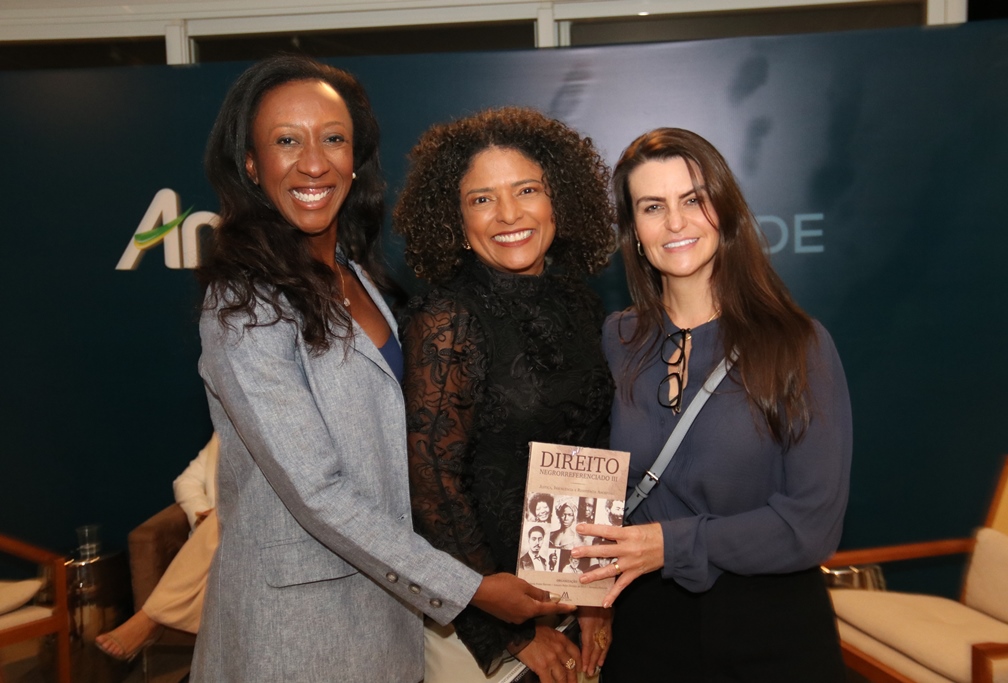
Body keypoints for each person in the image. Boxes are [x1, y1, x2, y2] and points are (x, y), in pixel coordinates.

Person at [193, 56, 570, 683]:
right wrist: (473, 588)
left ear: (355, 157)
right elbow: (316, 491)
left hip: (389, 619)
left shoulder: (355, 273)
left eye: (332, 139)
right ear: (251, 164)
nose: (314, 163)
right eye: (286, 141)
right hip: (295, 638)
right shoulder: (244, 303)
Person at [572, 128, 853, 682]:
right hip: (646, 626)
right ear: (634, 231)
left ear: (724, 209)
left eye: (693, 199)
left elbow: (813, 525)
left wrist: (669, 543)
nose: (676, 223)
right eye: (653, 207)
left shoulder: (797, 344)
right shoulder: (616, 339)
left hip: (771, 628)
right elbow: (591, 475)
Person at [394, 106, 617, 683]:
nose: (509, 214)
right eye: (481, 198)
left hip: (567, 604)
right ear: (456, 220)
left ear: (558, 200)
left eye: (527, 190)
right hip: (480, 624)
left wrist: (591, 593)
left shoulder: (579, 303)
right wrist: (510, 630)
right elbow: (430, 482)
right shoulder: (447, 317)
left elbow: (586, 456)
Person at [95, 433, 220, 661]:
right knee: (221, 520)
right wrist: (201, 515)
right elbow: (185, 482)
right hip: (214, 546)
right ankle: (155, 616)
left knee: (230, 515)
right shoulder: (221, 436)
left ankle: (152, 617)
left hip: (250, 545)